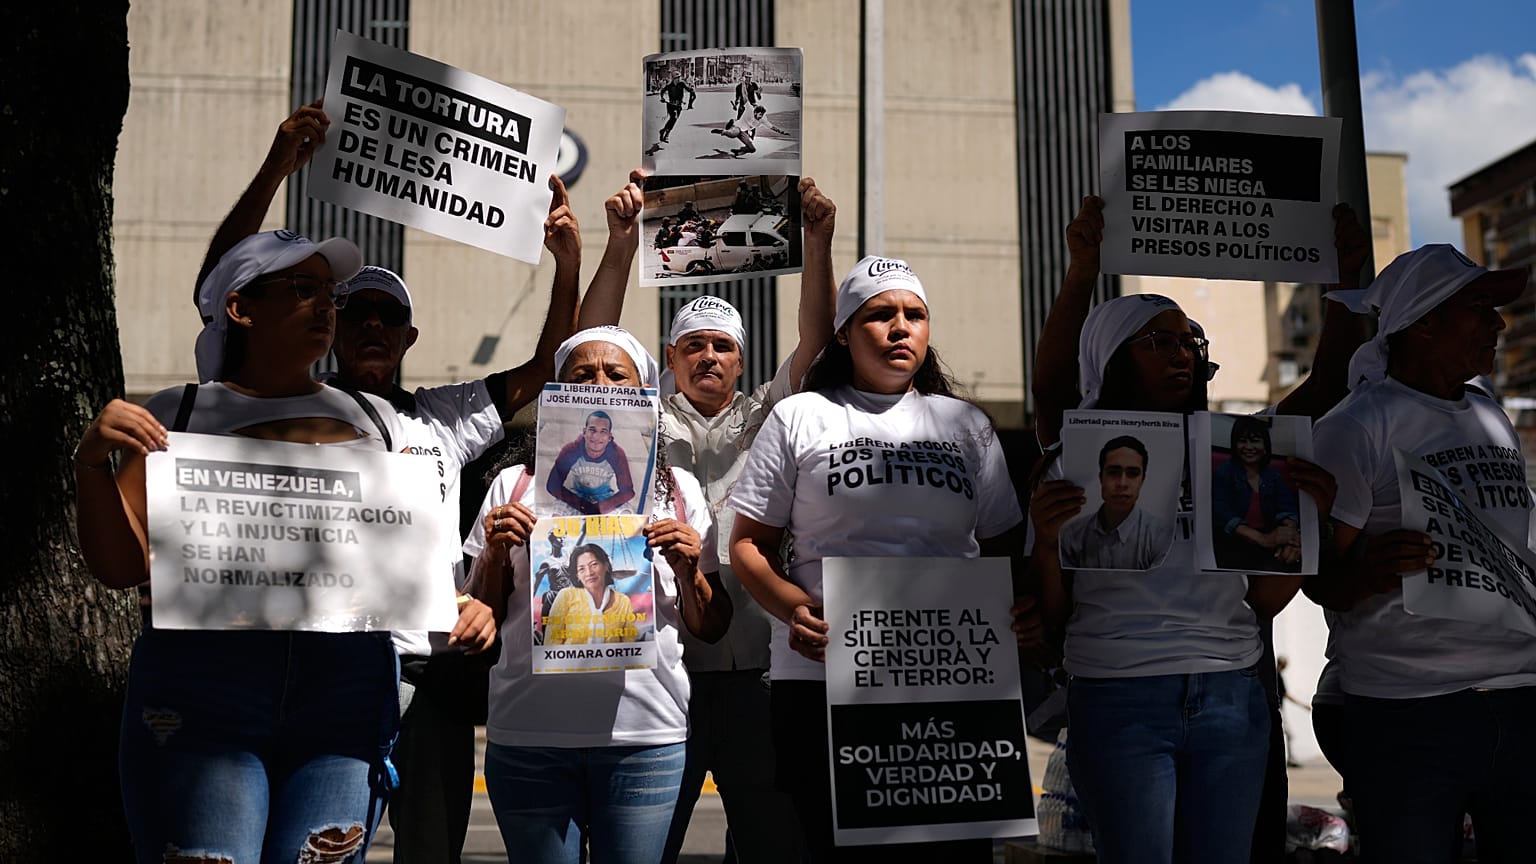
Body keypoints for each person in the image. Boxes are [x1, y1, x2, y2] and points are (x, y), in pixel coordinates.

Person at [187, 101, 635, 864]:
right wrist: (277, 169)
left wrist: (567, 261)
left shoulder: (442, 418)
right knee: (311, 847)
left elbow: (545, 370)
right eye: (355, 310)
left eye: (387, 315)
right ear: (330, 323)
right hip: (320, 667)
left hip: (430, 675)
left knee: (430, 849)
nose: (371, 325)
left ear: (408, 336)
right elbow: (223, 287)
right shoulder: (282, 400)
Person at [76, 228, 420, 863]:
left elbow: (391, 561)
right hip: (204, 692)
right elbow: (119, 567)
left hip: (345, 691)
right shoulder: (176, 415)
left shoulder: (375, 420)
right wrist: (92, 465)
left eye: (330, 293)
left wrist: (459, 601)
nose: (326, 306)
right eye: (303, 289)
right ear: (240, 308)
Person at [1026, 195, 1351, 864]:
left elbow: (1263, 602)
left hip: (1232, 696)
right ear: (1112, 357)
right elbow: (1053, 612)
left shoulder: (1237, 450)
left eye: (1190, 343)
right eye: (1159, 342)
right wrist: (1082, 270)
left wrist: (1305, 525)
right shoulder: (1075, 457)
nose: (1182, 354)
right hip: (1117, 697)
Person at [728, 255, 1041, 863]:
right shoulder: (802, 415)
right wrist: (794, 610)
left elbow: (1003, 550)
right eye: (880, 315)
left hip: (951, 684)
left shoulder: (966, 425)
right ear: (844, 332)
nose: (901, 327)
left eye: (914, 315)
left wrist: (1019, 610)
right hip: (824, 683)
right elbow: (748, 546)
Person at [464, 325, 732, 864]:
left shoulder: (677, 490)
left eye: (616, 374)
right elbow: (481, 620)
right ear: (557, 392)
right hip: (529, 736)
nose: (600, 385)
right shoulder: (513, 485)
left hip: (645, 739)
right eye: (582, 375)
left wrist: (689, 571)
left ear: (644, 393)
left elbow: (711, 625)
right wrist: (493, 552)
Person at [1305, 244, 1535, 864]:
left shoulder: (1491, 416)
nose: (1498, 323)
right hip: (1407, 710)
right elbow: (1320, 580)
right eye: (1479, 307)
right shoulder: (1355, 426)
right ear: (1424, 320)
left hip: (1519, 695)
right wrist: (1373, 569)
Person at [652, 177, 837, 864]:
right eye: (693, 345)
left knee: (771, 844)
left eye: (722, 346)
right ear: (670, 358)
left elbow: (816, 343)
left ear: (741, 360)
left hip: (759, 671)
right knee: (646, 846)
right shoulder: (639, 419)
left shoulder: (772, 414)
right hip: (666, 674)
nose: (709, 356)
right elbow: (590, 350)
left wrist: (816, 242)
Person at [1057, 434, 1173, 570]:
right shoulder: (1071, 535)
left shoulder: (1160, 536)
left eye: (1133, 473)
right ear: (1101, 478)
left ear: (1142, 480)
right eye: (1113, 472)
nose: (1122, 483)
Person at [1212, 416, 1302, 572]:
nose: (1248, 447)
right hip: (1233, 540)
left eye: (1255, 441)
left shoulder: (1273, 476)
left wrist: (1289, 534)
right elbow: (1221, 513)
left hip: (1267, 539)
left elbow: (1287, 507)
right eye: (1242, 441)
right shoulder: (1224, 472)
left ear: (1265, 446)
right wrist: (1263, 540)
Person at [543, 544, 640, 645]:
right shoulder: (566, 596)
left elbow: (629, 644)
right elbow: (550, 643)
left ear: (606, 566)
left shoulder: (623, 601)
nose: (589, 573)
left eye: (594, 565)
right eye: (581, 569)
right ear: (577, 575)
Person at [545, 410, 637, 515]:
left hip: (604, 497)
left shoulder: (616, 453)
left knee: (626, 513)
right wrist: (582, 505)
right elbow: (553, 485)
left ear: (609, 437)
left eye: (603, 431)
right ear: (584, 432)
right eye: (592, 430)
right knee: (557, 513)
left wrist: (601, 507)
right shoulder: (572, 450)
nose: (596, 436)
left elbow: (627, 491)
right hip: (577, 496)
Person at [711, 105, 788, 158]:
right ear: (755, 112)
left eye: (762, 115)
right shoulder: (749, 111)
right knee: (734, 134)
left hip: (744, 132)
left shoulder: (763, 119)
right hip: (737, 127)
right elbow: (745, 96)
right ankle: (723, 131)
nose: (761, 116)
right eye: (760, 114)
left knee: (752, 149)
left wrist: (781, 132)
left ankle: (737, 152)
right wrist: (743, 85)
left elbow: (771, 127)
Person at [657, 71, 696, 145]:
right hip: (670, 105)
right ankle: (666, 135)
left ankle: (664, 131)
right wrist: (662, 98)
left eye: (679, 77)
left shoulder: (682, 83)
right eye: (677, 78)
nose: (678, 79)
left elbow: (688, 89)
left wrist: (691, 89)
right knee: (673, 117)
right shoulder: (669, 85)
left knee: (673, 120)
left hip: (678, 106)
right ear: (673, 78)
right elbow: (662, 91)